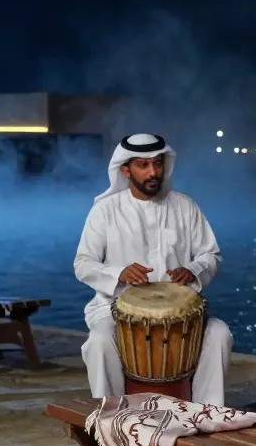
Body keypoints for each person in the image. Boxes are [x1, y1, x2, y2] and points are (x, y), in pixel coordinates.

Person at [74, 133, 232, 405]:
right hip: (116, 308)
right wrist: (118, 273)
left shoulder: (185, 206)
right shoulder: (105, 210)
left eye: (157, 164)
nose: (153, 172)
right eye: (143, 165)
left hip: (181, 314)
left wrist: (194, 270)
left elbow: (211, 255)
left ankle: (207, 413)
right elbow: (83, 264)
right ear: (125, 170)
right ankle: (111, 419)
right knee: (100, 341)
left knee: (219, 333)